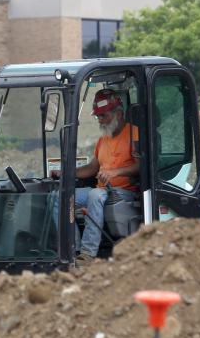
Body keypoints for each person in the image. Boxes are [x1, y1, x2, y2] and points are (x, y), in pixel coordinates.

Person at [49, 89, 140, 262]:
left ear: (119, 114)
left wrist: (115, 172)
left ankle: (88, 253)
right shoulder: (103, 139)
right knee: (57, 197)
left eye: (103, 116)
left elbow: (141, 166)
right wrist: (65, 173)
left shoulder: (134, 133)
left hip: (124, 191)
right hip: (103, 190)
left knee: (95, 194)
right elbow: (92, 168)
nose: (100, 120)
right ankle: (72, 249)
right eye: (98, 117)